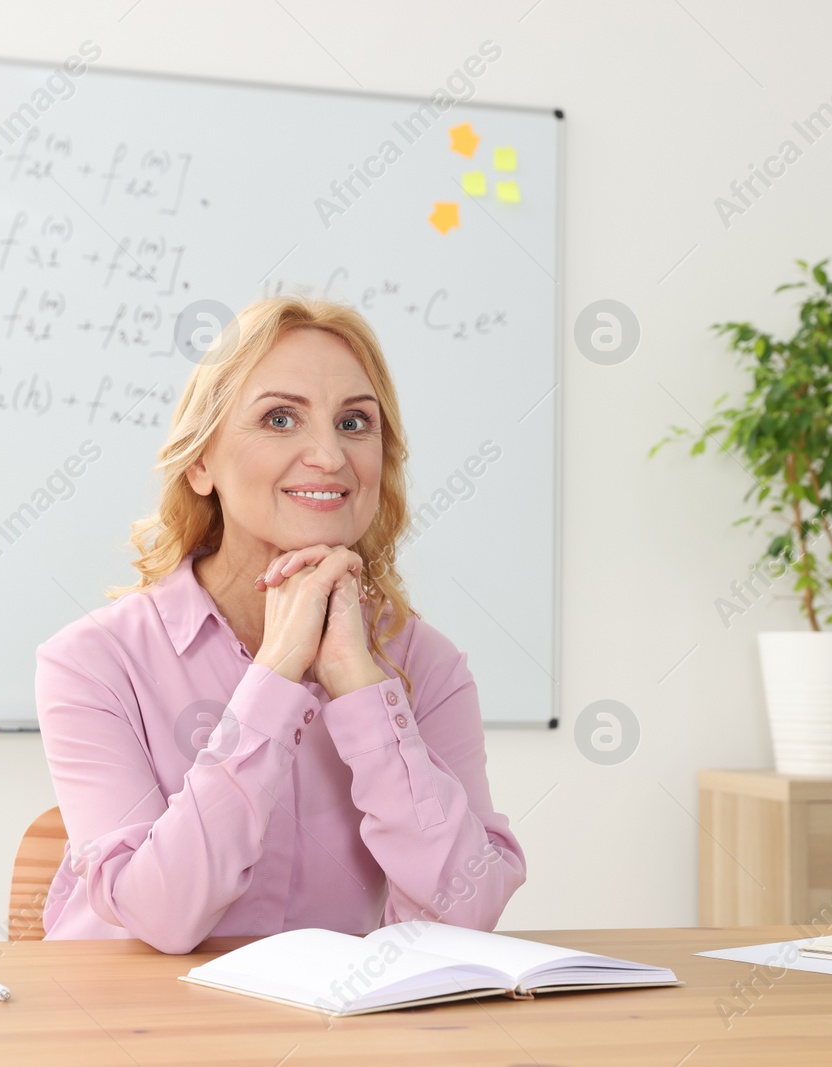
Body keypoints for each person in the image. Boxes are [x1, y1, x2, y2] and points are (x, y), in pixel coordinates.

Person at [33, 294, 526, 952]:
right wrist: (274, 675)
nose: (328, 454)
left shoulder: (426, 666)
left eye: (355, 422)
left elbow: (466, 915)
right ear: (201, 462)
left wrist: (360, 687)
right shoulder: (92, 662)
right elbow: (161, 917)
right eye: (281, 417)